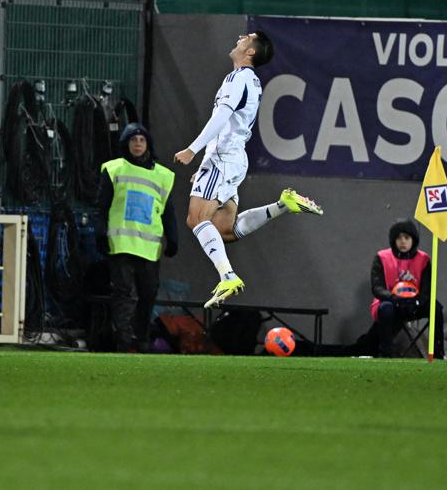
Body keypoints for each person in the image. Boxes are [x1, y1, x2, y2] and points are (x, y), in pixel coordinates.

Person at [173, 31, 323, 308]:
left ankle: (227, 276)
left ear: (251, 52)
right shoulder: (252, 82)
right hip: (234, 159)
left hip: (223, 157)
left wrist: (194, 150)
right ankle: (283, 204)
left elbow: (222, 116)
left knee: (196, 219)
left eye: (248, 37)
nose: (241, 37)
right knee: (225, 230)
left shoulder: (238, 77)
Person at [95, 122, 178, 352]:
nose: (138, 144)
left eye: (142, 140)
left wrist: (173, 237)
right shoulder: (114, 169)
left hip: (149, 247)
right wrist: (101, 233)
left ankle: (140, 337)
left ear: (148, 144)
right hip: (120, 244)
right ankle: (123, 341)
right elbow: (102, 206)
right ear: (126, 144)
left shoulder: (163, 175)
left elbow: (168, 210)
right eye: (133, 140)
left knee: (148, 294)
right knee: (122, 294)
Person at [370, 219, 444, 359]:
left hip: (415, 303)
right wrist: (394, 299)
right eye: (398, 237)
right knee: (385, 309)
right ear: (393, 240)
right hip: (390, 301)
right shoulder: (381, 257)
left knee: (436, 308)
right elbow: (377, 287)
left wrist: (416, 302)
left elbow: (427, 290)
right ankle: (386, 354)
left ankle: (438, 353)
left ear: (413, 239)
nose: (402, 241)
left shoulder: (424, 259)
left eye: (406, 237)